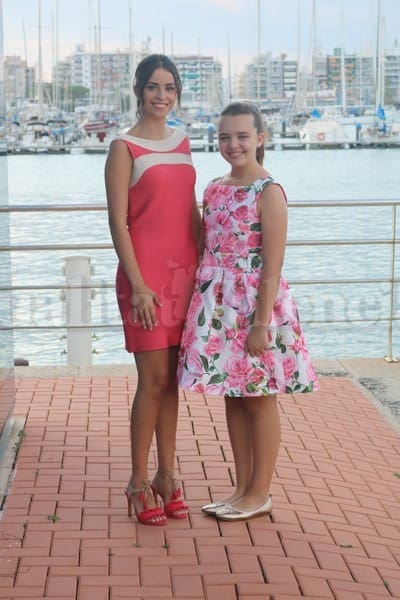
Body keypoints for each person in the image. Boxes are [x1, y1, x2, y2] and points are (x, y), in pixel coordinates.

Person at [177, 101, 318, 521]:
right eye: (225, 136)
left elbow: (272, 266)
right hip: (218, 307)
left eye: (241, 136)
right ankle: (240, 489)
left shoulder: (268, 191)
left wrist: (261, 325)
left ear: (260, 138)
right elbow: (204, 247)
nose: (233, 144)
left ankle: (260, 492)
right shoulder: (213, 188)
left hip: (255, 307)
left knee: (259, 400)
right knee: (233, 397)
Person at [105, 54, 201, 525]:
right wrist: (139, 285)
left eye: (169, 88)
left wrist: (207, 271)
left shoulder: (183, 142)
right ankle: (138, 481)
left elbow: (191, 212)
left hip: (186, 276)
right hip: (143, 279)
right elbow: (118, 223)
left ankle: (167, 475)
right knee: (153, 380)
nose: (161, 96)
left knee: (172, 382)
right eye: (153, 87)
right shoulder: (123, 148)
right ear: (138, 91)